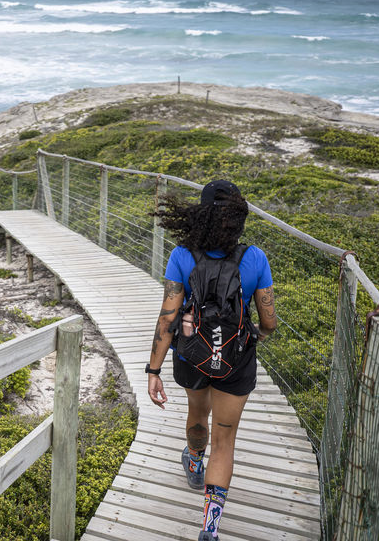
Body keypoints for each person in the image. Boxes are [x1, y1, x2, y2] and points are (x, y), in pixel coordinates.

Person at [145, 179, 278, 541]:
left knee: (196, 413)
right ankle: (210, 528)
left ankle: (192, 459)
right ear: (237, 217)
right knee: (225, 439)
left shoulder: (181, 256)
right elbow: (268, 321)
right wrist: (255, 340)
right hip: (236, 360)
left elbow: (168, 318)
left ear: (200, 214)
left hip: (192, 355)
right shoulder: (255, 258)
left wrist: (153, 369)